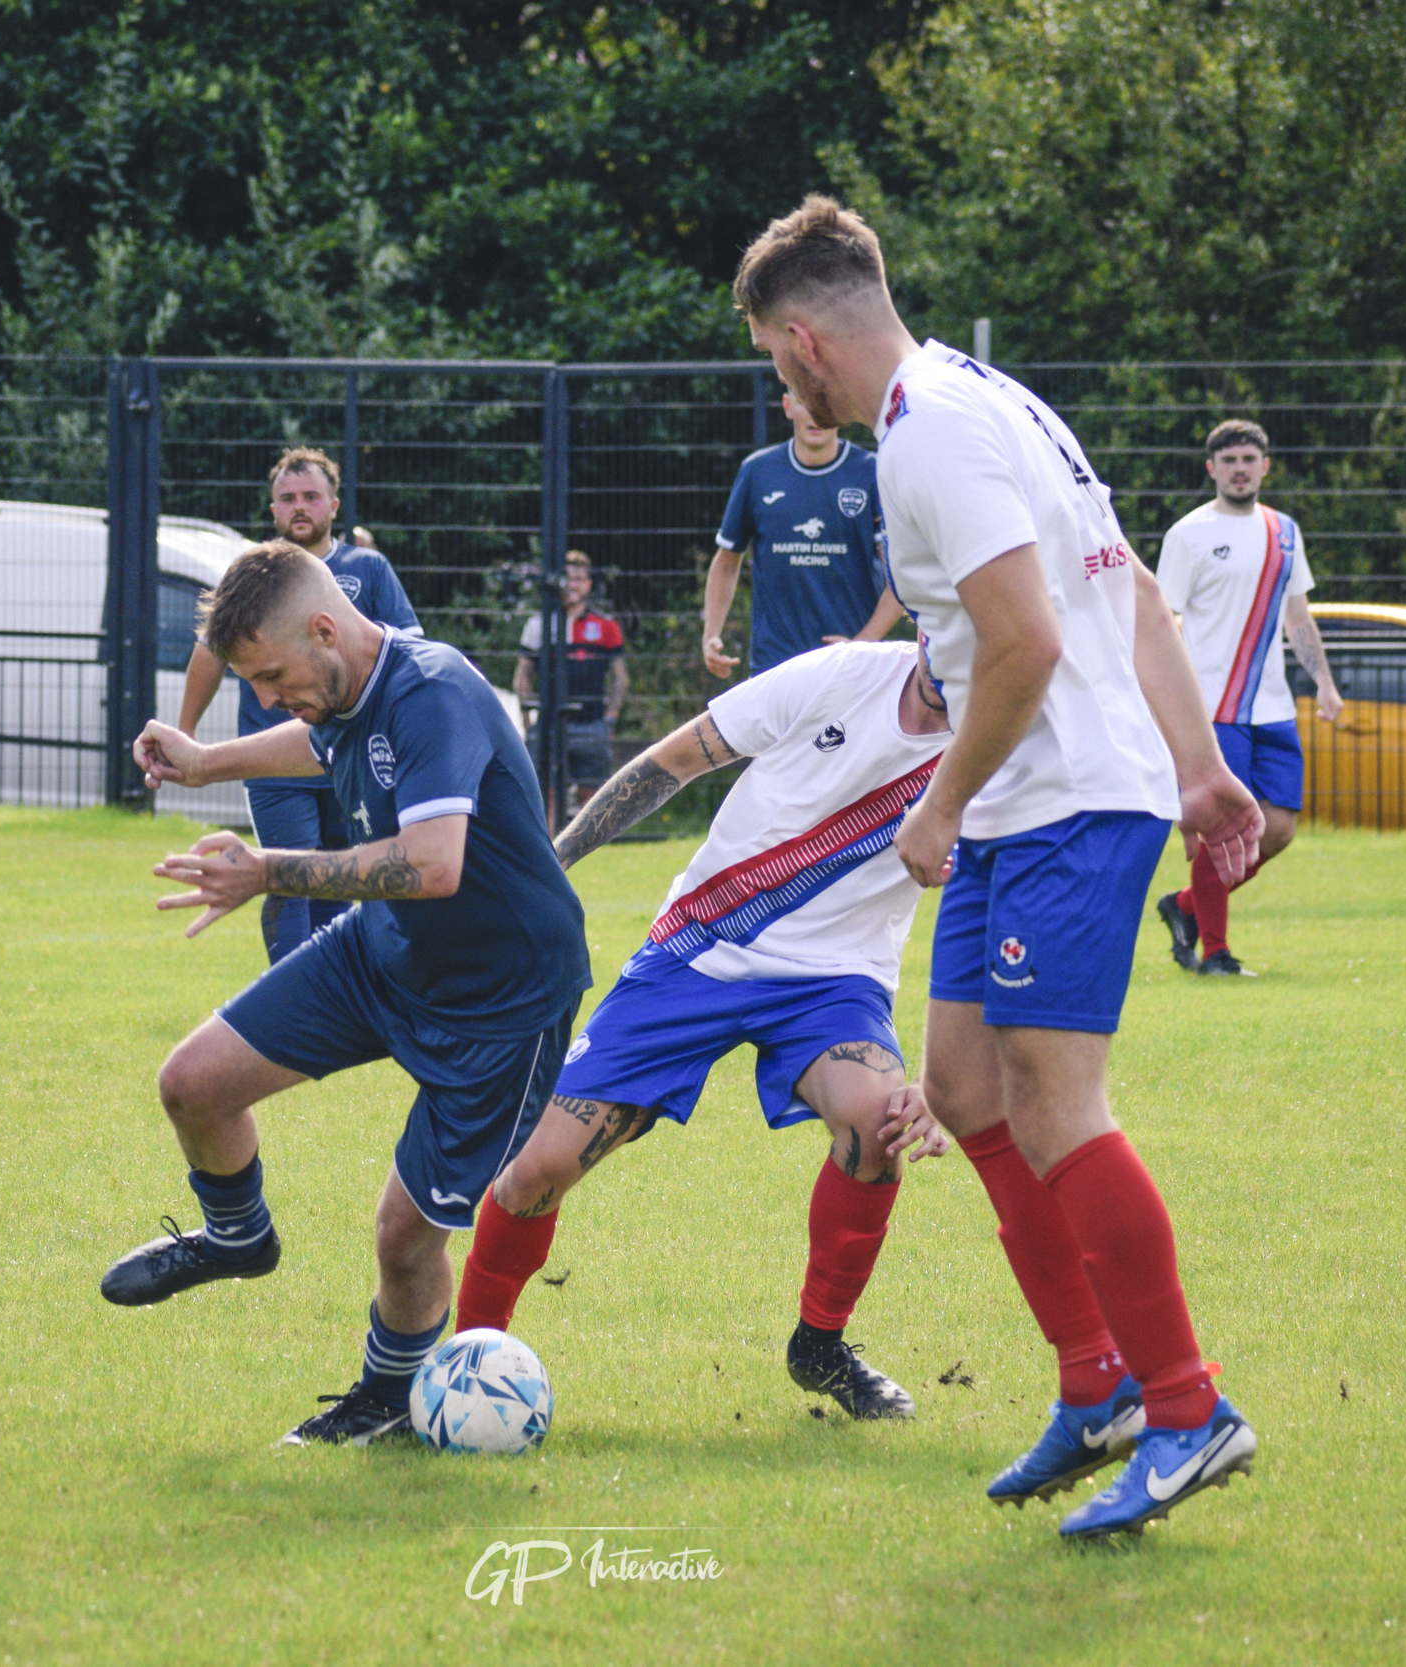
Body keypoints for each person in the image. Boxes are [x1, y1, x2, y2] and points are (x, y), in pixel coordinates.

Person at [733, 195, 1266, 1540]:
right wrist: (1200, 766)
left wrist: (938, 803)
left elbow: (1026, 640)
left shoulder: (930, 441)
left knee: (1055, 1098)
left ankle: (1190, 1407)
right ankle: (1098, 1387)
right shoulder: (989, 395)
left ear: (803, 339)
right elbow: (1131, 589)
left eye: (772, 358)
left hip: (1062, 798)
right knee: (968, 1089)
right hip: (1030, 800)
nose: (780, 381)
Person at [110, 541, 591, 1447]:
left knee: (405, 1238)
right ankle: (238, 1235)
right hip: (383, 952)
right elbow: (317, 736)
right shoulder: (340, 680)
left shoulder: (433, 690)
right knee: (193, 1082)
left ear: (325, 630)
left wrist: (272, 870)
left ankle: (385, 1398)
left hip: (502, 1005)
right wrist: (207, 762)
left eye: (272, 673)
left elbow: (437, 863)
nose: (264, 694)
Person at [456, 638, 952, 1419]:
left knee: (876, 1122)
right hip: (698, 948)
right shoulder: (838, 674)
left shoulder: (1005, 743)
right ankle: (466, 1361)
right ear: (926, 619)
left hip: (834, 981)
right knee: (533, 1174)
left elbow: (1003, 912)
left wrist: (946, 1075)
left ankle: (819, 1344)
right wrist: (553, 863)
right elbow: (671, 761)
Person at [176, 448, 420, 963]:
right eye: (287, 499)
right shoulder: (254, 574)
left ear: (334, 505)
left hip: (347, 755)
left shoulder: (367, 568)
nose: (299, 507)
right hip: (276, 763)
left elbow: (408, 648)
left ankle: (333, 994)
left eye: (311, 496)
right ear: (273, 512)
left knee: (339, 878)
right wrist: (186, 733)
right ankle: (288, 992)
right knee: (290, 872)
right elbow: (209, 652)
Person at [1152, 420, 1345, 977]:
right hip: (1215, 708)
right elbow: (1164, 619)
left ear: (1266, 466)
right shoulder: (1188, 534)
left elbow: (1297, 615)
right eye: (1229, 459)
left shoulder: (1285, 531)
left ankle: (1185, 906)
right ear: (1211, 469)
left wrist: (1325, 684)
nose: (1240, 468)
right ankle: (1215, 953)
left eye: (1249, 459)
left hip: (1274, 708)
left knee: (1278, 827)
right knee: (1222, 831)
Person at [703, 389, 903, 680]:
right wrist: (711, 633)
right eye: (806, 403)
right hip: (773, 666)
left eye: (826, 403)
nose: (816, 415)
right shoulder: (758, 472)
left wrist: (862, 645)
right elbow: (726, 562)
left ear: (842, 410)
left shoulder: (870, 472)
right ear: (787, 406)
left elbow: (900, 577)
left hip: (848, 669)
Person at [511, 551, 625, 807]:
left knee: (592, 798)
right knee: (545, 795)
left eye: (579, 579)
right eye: (567, 578)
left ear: (589, 585)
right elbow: (523, 675)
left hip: (591, 724)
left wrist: (610, 719)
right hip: (548, 724)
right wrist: (527, 719)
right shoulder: (538, 625)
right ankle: (547, 847)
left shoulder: (606, 626)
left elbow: (620, 678)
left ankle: (585, 847)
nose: (572, 585)